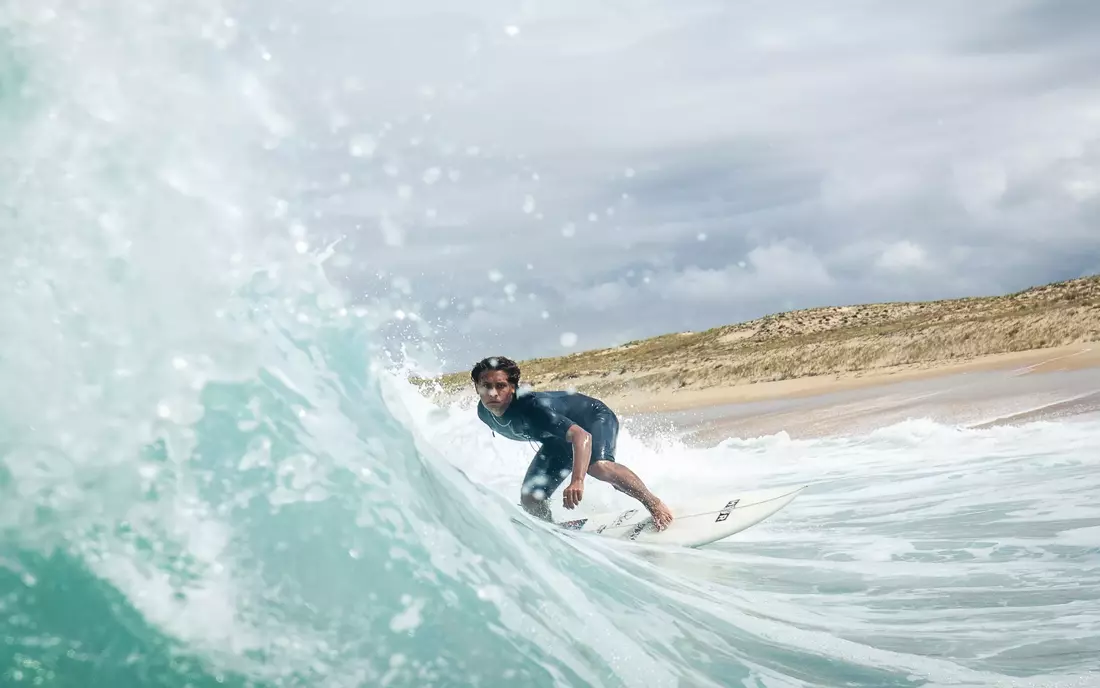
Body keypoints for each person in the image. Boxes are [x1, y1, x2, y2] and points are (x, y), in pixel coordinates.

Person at [471, 355, 674, 530]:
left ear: (513, 388)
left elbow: (581, 436)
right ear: (477, 388)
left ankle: (654, 504)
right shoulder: (484, 413)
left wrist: (577, 480)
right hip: (557, 438)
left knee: (599, 468)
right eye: (485, 386)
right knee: (531, 499)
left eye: (501, 386)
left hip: (591, 418)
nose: (493, 393)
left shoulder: (533, 409)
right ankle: (552, 532)